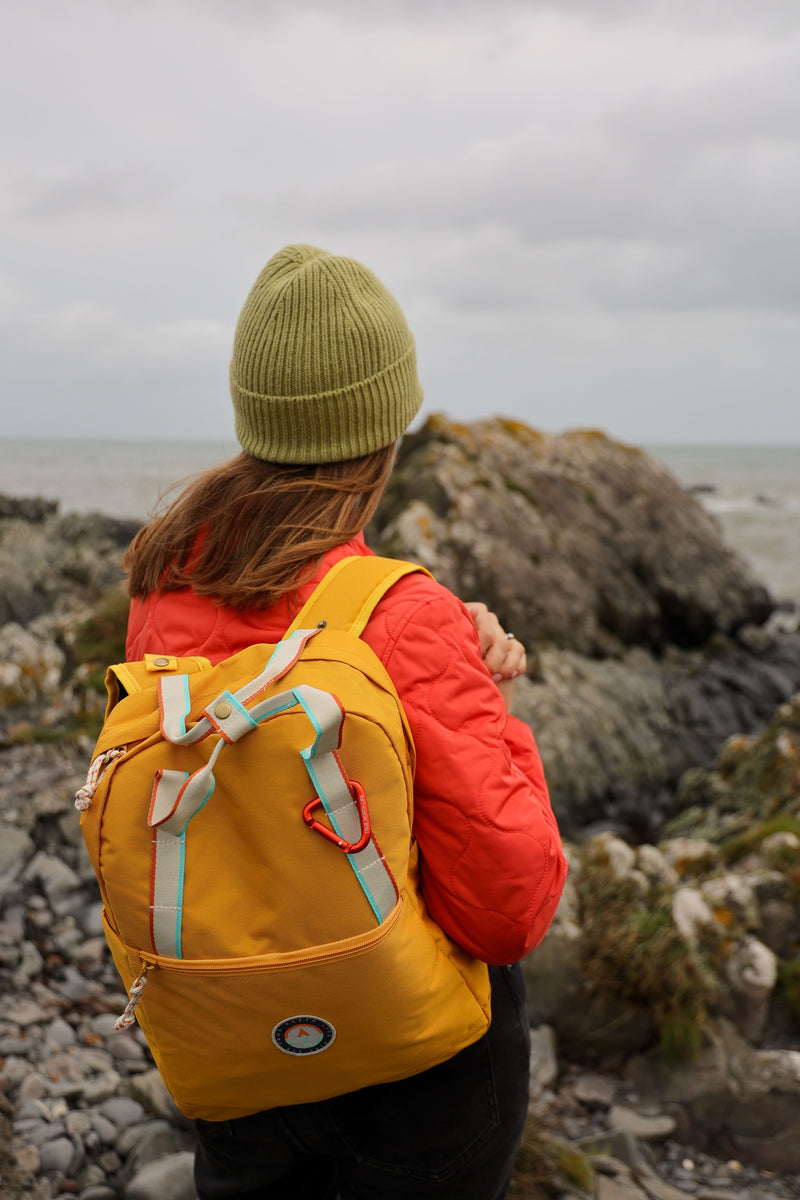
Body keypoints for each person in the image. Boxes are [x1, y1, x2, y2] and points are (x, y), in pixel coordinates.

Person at [123, 243, 567, 1200]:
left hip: (231, 1042)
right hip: (408, 1061)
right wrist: (488, 697)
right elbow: (510, 907)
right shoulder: (403, 615)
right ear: (384, 427)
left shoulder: (165, 579)